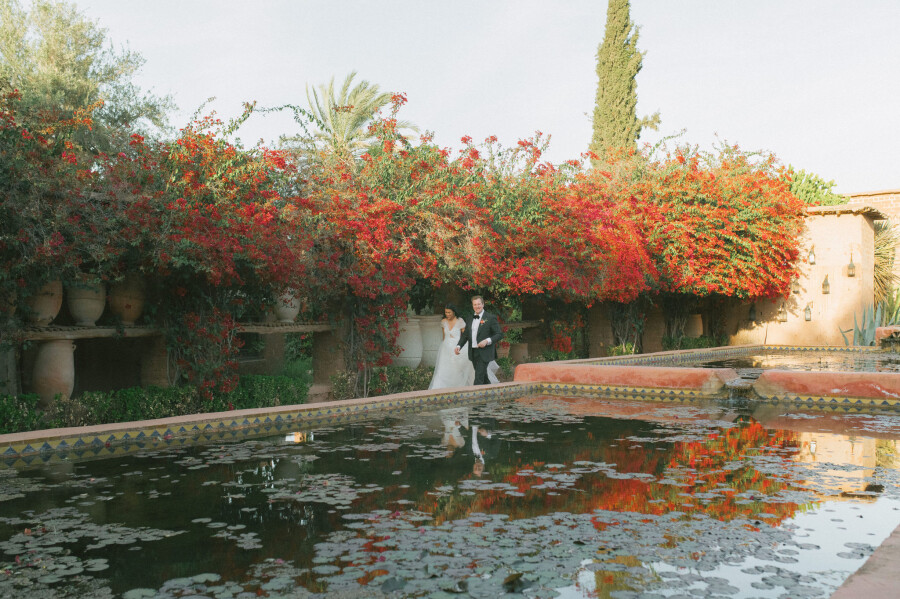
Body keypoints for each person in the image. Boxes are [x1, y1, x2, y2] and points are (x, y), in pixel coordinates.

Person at [455, 295, 503, 385]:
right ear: (472, 306)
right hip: (473, 351)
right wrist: (459, 346)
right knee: (483, 376)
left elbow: (499, 334)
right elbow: (465, 335)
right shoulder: (469, 318)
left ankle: (475, 397)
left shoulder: (490, 318)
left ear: (483, 304)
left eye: (479, 304)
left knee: (478, 377)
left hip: (485, 352)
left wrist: (487, 341)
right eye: (475, 304)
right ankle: (490, 394)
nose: (477, 306)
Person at [428, 304, 476, 389]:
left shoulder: (460, 321)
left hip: (457, 347)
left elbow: (465, 336)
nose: (447, 314)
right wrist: (443, 347)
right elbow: (444, 336)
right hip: (445, 348)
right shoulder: (443, 322)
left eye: (449, 312)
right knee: (443, 369)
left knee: (457, 368)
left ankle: (458, 387)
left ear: (454, 312)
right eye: (446, 312)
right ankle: (439, 388)